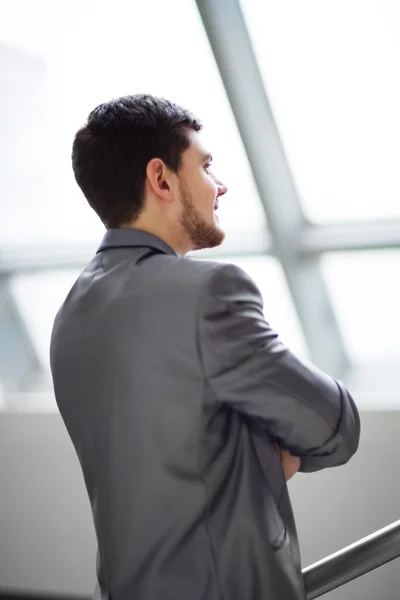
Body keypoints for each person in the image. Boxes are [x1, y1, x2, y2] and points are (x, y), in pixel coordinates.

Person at [50, 94, 360, 600]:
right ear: (161, 179)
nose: (221, 185)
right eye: (207, 165)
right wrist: (267, 452)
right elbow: (335, 428)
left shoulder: (72, 314)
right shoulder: (208, 293)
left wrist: (248, 454)